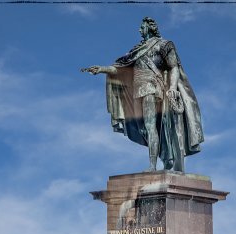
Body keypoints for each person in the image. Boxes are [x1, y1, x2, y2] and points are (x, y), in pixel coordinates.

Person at [83, 17, 203, 172]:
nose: (140, 30)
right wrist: (101, 69)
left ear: (150, 28)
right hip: (137, 90)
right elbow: (120, 69)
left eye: (142, 27)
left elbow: (173, 67)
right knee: (144, 129)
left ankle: (152, 166)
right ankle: (166, 157)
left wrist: (173, 87)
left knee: (150, 126)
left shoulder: (164, 45)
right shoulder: (136, 50)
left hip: (152, 88)